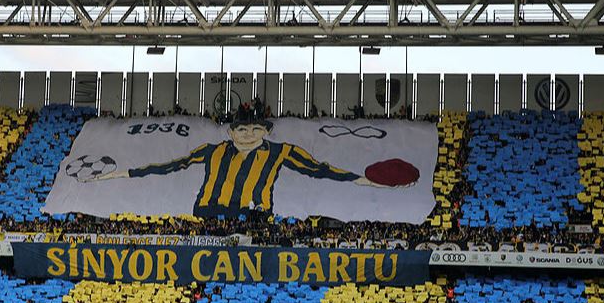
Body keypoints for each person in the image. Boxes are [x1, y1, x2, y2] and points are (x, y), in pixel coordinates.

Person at [89, 105, 408, 218]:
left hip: (254, 218)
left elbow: (320, 170)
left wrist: (364, 180)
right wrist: (120, 174)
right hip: (208, 215)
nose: (248, 134)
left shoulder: (282, 151)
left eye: (255, 129)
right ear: (231, 132)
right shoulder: (211, 150)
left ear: (266, 131)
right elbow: (170, 165)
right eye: (241, 129)